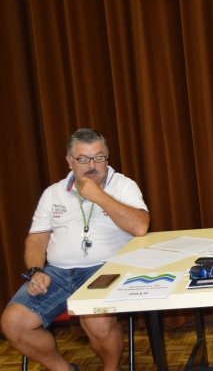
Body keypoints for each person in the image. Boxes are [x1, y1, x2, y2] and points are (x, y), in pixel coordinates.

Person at [1, 128, 150, 371]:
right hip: (57, 273)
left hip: (106, 269)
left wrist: (100, 196)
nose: (92, 165)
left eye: (99, 157)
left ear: (107, 158)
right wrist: (37, 270)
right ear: (69, 161)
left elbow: (141, 226)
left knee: (97, 321)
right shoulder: (53, 193)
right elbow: (37, 239)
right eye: (83, 159)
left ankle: (111, 368)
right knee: (13, 323)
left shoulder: (123, 186)